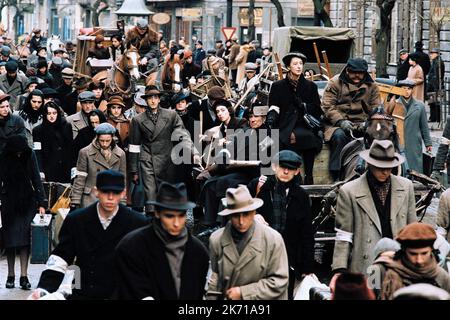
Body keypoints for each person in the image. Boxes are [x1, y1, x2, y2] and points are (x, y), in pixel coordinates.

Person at [30, 170, 148, 300]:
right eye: (105, 192)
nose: (110, 197)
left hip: (121, 293)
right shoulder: (76, 221)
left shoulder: (137, 223)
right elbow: (61, 258)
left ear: (124, 193)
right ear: (96, 191)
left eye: (115, 193)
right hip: (86, 292)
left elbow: (145, 265)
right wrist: (44, 288)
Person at [330, 139, 417, 286]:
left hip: (399, 262)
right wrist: (339, 269)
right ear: (369, 164)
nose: (385, 171)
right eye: (380, 167)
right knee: (373, 292)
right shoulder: (349, 191)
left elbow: (412, 229)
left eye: (389, 167)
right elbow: (344, 235)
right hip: (369, 263)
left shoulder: (406, 186)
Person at [115, 182, 209, 300]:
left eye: (181, 215)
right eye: (169, 216)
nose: (176, 223)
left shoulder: (198, 251)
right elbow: (130, 291)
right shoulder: (131, 246)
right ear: (157, 213)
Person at [248, 150, 314, 299]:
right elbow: (236, 211)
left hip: (288, 259)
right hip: (258, 256)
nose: (285, 171)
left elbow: (307, 233)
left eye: (290, 168)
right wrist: (254, 216)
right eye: (282, 166)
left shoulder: (301, 196)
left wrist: (307, 267)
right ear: (273, 166)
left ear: (297, 171)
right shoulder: (258, 186)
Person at [206, 185, 289, 300]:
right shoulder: (216, 240)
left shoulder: (272, 239)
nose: (241, 221)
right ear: (229, 215)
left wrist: (243, 293)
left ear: (254, 212)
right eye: (236, 215)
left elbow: (279, 281)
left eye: (246, 214)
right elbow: (215, 279)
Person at [129, 85, 199, 214]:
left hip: (167, 160)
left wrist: (193, 151)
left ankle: (165, 221)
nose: (153, 101)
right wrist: (134, 170)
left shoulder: (171, 115)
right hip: (147, 160)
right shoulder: (137, 120)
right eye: (150, 98)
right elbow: (134, 146)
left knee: (166, 194)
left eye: (155, 97)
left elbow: (182, 134)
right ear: (146, 100)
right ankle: (151, 220)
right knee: (150, 194)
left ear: (160, 99)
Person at [267, 52, 324, 185]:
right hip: (284, 124)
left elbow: (317, 109)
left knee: (307, 138)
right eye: (295, 64)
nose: (299, 67)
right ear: (288, 66)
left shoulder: (311, 86)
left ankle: (309, 176)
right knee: (281, 139)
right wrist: (271, 116)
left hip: (303, 124)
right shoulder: (278, 86)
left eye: (301, 64)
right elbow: (274, 106)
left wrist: (304, 106)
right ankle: (287, 177)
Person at [321, 57, 381, 181]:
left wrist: (369, 123)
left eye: (360, 73)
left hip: (363, 122)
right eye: (354, 72)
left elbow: (376, 108)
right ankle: (337, 173)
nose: (357, 76)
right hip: (337, 124)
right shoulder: (335, 82)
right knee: (339, 137)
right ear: (347, 71)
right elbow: (327, 106)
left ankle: (376, 170)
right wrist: (341, 121)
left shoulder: (372, 86)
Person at [1, 135, 46, 290]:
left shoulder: (29, 154)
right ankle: (10, 275)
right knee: (10, 241)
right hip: (9, 202)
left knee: (25, 240)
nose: (19, 154)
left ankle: (24, 276)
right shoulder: (4, 155)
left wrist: (42, 202)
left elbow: (36, 177)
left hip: (27, 201)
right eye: (17, 152)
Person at [372, 222, 450, 300]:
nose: (419, 260)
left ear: (432, 251)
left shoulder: (442, 277)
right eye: (413, 254)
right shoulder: (378, 270)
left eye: (424, 253)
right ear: (403, 251)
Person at [71, 123, 127, 209]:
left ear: (112, 138)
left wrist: (122, 202)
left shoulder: (120, 154)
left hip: (111, 198)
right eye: (102, 140)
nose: (104, 144)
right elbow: (80, 178)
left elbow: (123, 179)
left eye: (107, 141)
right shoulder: (85, 152)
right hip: (90, 198)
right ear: (97, 138)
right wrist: (75, 201)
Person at [387, 79, 431, 173]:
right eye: (403, 88)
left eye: (409, 89)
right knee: (399, 168)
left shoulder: (420, 106)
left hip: (414, 143)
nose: (406, 91)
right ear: (400, 90)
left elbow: (424, 127)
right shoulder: (394, 104)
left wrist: (428, 143)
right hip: (398, 142)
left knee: (416, 170)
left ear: (412, 90)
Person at [32, 101, 73, 183]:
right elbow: (37, 152)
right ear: (44, 114)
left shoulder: (66, 126)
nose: (52, 116)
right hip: (48, 168)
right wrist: (40, 171)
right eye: (49, 113)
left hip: (65, 167)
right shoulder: (38, 130)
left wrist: (73, 167)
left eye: (54, 113)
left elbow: (71, 148)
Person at [427, 48, 445, 122]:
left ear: (437, 54)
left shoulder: (438, 63)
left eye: (432, 53)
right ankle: (433, 117)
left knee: (435, 103)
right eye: (430, 53)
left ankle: (436, 118)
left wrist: (434, 86)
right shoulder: (435, 61)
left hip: (435, 86)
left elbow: (437, 76)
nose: (431, 55)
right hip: (433, 85)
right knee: (432, 102)